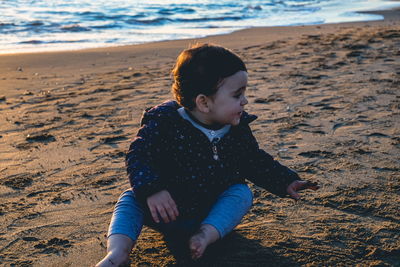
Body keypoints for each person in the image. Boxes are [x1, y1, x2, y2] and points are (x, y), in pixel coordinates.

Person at [96, 43, 318, 266]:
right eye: (237, 94)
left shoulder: (236, 128)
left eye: (244, 93)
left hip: (210, 211)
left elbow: (253, 160)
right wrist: (153, 190)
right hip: (166, 208)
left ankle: (205, 235)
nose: (245, 101)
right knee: (130, 198)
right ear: (203, 102)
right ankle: (118, 253)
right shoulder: (165, 123)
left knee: (241, 193)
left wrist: (285, 181)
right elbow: (138, 155)